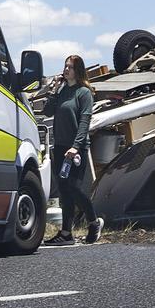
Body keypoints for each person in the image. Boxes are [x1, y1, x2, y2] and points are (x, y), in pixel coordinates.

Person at [45, 55, 104, 245]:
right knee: (64, 191)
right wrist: (53, 90)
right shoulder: (62, 91)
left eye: (70, 67)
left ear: (78, 70)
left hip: (75, 148)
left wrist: (76, 146)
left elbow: (84, 122)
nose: (66, 69)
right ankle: (66, 233)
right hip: (61, 147)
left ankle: (94, 222)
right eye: (65, 66)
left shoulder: (83, 93)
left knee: (74, 187)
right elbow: (47, 111)